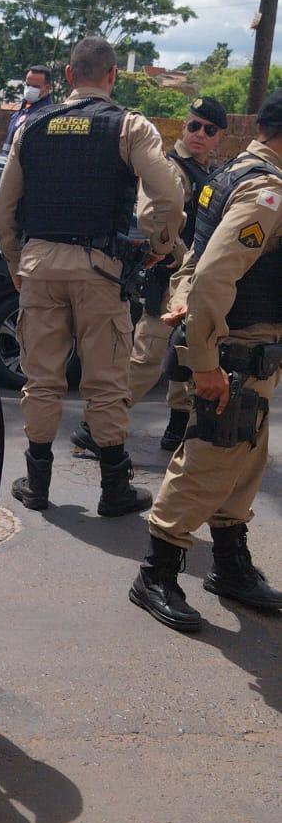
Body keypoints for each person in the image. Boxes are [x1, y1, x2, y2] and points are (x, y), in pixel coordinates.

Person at [0, 36, 184, 516]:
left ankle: (36, 484)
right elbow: (169, 199)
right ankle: (113, 488)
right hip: (100, 270)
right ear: (113, 75)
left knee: (41, 379)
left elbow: (4, 208)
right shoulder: (129, 127)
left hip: (39, 266)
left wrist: (17, 262)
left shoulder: (31, 126)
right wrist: (161, 247)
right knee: (104, 381)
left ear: (69, 75)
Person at [129, 87, 282, 631]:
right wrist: (204, 360)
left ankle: (230, 563)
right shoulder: (264, 191)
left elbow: (194, 257)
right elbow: (215, 274)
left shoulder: (231, 174)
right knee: (208, 461)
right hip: (234, 352)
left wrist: (182, 303)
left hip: (248, 353)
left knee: (243, 461)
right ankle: (157, 572)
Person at [71, 95, 228, 458]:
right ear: (184, 125)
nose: (199, 134)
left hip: (192, 280)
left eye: (209, 129)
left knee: (187, 357)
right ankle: (95, 429)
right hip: (169, 276)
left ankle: (176, 430)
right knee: (147, 357)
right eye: (193, 125)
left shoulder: (207, 172)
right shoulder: (173, 168)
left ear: (220, 136)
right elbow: (152, 216)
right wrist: (177, 253)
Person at [2, 66, 53, 153]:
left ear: (47, 88)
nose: (29, 89)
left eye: (35, 86)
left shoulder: (46, 116)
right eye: (28, 85)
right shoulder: (21, 111)